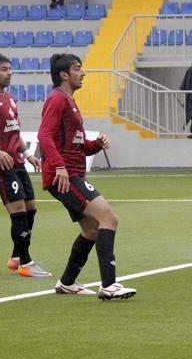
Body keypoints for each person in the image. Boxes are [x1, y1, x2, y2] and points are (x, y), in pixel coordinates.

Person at [38, 53, 136, 299]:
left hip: (70, 174)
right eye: (77, 69)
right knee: (108, 218)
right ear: (64, 75)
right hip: (65, 177)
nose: (83, 73)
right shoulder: (57, 99)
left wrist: (96, 144)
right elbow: (44, 136)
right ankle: (109, 285)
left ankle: (67, 282)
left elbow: (78, 145)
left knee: (92, 229)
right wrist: (59, 167)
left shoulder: (68, 101)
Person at [0, 53, 50, 278]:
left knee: (30, 208)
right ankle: (26, 263)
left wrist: (28, 154)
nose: (10, 73)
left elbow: (14, 131)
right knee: (19, 210)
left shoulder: (10, 98)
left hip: (17, 162)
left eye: (10, 69)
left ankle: (15, 257)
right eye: (4, 69)